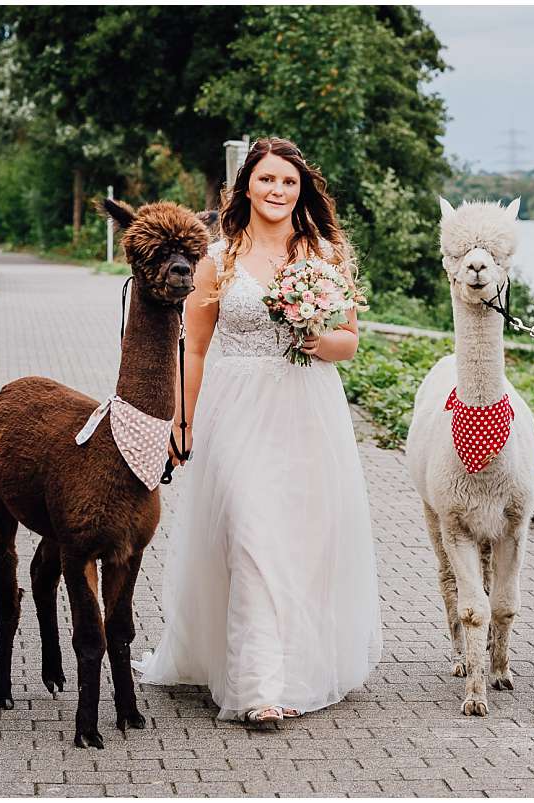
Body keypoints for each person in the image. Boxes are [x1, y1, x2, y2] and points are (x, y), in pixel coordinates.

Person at [133, 137, 382, 724]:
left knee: (299, 542)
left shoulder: (325, 254)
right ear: (246, 186)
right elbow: (192, 348)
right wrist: (181, 418)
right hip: (237, 410)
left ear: (302, 191)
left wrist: (323, 342)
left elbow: (349, 338)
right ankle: (257, 687)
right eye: (267, 180)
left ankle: (296, 663)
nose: (278, 191)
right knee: (248, 534)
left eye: (289, 182)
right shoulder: (217, 259)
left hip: (308, 408)